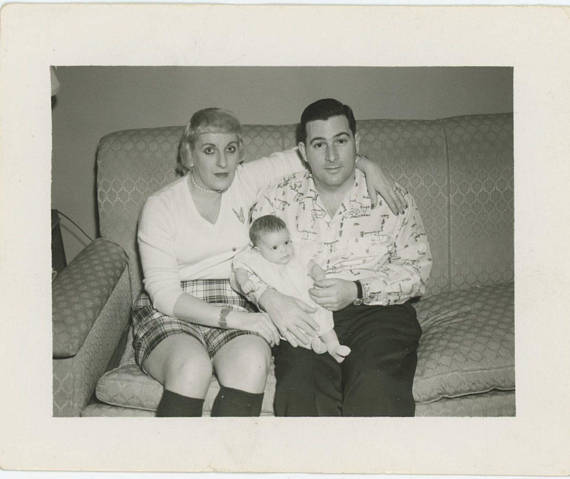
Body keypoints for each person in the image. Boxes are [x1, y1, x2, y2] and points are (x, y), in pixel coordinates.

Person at [132, 107, 406, 416]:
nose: (223, 162)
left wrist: (367, 164)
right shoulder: (160, 206)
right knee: (192, 367)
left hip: (236, 296)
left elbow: (316, 152)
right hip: (176, 307)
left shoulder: (246, 180)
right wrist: (237, 319)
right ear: (189, 154)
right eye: (209, 150)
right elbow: (164, 294)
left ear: (240, 154)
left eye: (231, 149)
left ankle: (225, 461)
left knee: (251, 362)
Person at [242, 98, 432, 416]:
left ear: (357, 142)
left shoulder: (391, 196)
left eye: (341, 141)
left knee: (375, 387)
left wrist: (357, 289)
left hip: (378, 315)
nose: (331, 157)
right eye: (319, 144)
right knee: (301, 389)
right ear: (303, 151)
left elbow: (417, 270)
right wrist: (271, 299)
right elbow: (250, 264)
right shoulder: (276, 198)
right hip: (304, 315)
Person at [232, 215, 351, 363]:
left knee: (323, 318)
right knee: (293, 330)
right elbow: (240, 269)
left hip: (310, 298)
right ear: (258, 250)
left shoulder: (296, 254)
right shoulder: (256, 260)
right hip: (284, 307)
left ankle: (334, 347)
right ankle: (312, 343)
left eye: (287, 242)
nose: (284, 250)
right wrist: (245, 282)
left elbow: (311, 265)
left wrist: (319, 274)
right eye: (275, 247)